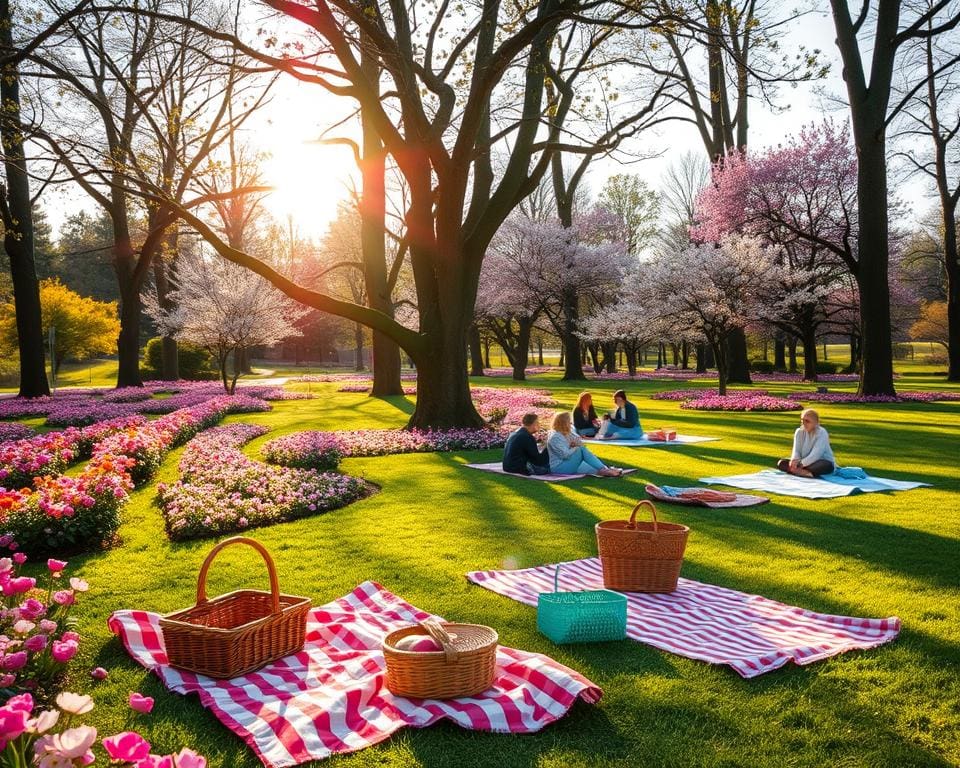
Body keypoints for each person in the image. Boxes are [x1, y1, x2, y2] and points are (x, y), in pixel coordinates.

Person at [546, 412, 622, 476]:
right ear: (564, 423)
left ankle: (604, 470)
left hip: (567, 462)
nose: (571, 423)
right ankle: (605, 469)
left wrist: (574, 444)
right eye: (569, 421)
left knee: (591, 465)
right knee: (580, 449)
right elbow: (565, 455)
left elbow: (579, 441)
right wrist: (575, 447)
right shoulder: (555, 436)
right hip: (559, 467)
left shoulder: (566, 432)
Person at [777, 408, 836, 478]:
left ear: (816, 422)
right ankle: (806, 473)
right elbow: (796, 450)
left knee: (826, 465)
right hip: (802, 463)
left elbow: (816, 454)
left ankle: (798, 471)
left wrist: (801, 464)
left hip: (819, 462)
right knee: (781, 463)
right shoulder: (799, 431)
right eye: (802, 421)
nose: (804, 423)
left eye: (807, 421)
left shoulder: (822, 433)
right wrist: (794, 460)